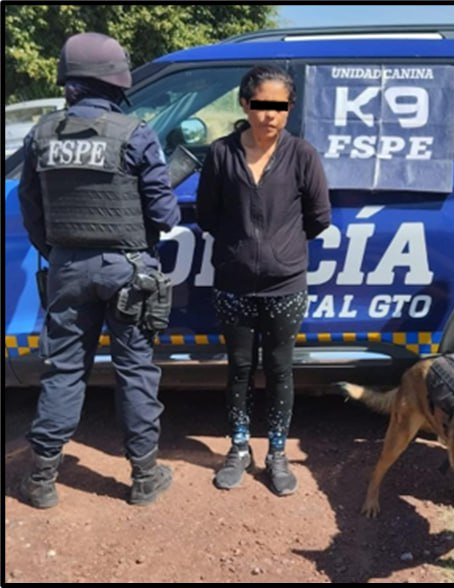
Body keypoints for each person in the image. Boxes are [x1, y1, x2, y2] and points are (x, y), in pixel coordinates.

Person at [18, 32, 181, 508]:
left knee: (65, 369)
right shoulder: (136, 133)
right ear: (117, 80)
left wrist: (60, 252)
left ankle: (42, 479)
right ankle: (145, 476)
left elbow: (31, 210)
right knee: (135, 371)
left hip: (66, 267)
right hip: (129, 271)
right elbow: (165, 216)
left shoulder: (41, 135)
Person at [196, 65, 331, 496]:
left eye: (279, 106)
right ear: (244, 104)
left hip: (284, 286)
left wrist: (280, 250)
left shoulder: (302, 155)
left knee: (279, 369)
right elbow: (207, 215)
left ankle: (276, 452)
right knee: (238, 368)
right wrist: (240, 247)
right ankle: (238, 447)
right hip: (232, 283)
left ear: (289, 108)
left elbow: (319, 217)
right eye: (261, 104)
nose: (269, 115)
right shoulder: (221, 154)